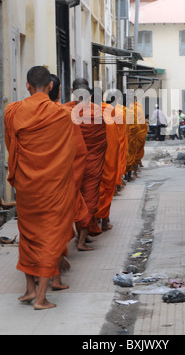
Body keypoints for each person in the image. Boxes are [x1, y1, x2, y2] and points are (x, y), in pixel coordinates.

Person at [4, 66, 76, 310]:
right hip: (53, 187)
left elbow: (11, 145)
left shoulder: (13, 112)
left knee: (28, 235)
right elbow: (70, 154)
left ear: (27, 85)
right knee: (49, 237)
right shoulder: (63, 115)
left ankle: (29, 290)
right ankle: (41, 298)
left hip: (26, 186)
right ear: (50, 87)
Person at [50, 75, 89, 254]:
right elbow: (80, 151)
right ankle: (76, 243)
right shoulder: (68, 114)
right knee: (80, 204)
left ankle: (50, 259)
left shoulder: (18, 112)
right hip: (69, 173)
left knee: (45, 221)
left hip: (37, 178)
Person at [66, 79, 107, 248]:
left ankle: (80, 236)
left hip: (72, 164)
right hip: (92, 163)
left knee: (76, 197)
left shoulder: (66, 110)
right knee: (89, 198)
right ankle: (81, 240)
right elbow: (103, 140)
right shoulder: (97, 113)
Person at [93, 89, 120, 231]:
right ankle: (104, 220)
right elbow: (114, 137)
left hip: (91, 159)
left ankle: (93, 220)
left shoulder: (84, 112)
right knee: (106, 186)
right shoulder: (109, 110)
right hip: (107, 157)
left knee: (92, 189)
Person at [134, 96, 148, 168]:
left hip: (134, 131)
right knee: (136, 148)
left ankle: (138, 162)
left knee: (132, 149)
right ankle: (137, 164)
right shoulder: (138, 108)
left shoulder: (138, 107)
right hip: (137, 131)